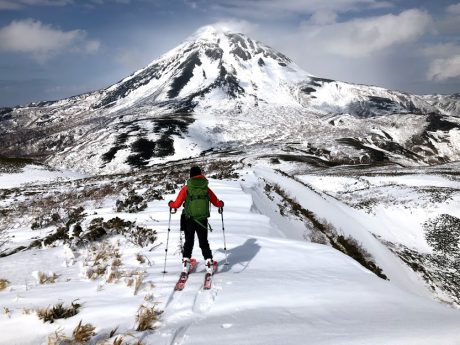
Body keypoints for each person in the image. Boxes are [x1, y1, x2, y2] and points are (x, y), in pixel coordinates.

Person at [168, 166, 224, 274]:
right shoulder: (205, 187)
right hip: (202, 220)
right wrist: (221, 204)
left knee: (188, 242)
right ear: (200, 174)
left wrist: (171, 204)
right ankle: (208, 264)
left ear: (190, 175)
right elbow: (216, 202)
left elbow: (177, 204)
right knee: (204, 242)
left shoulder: (186, 188)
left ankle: (186, 264)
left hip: (189, 219)